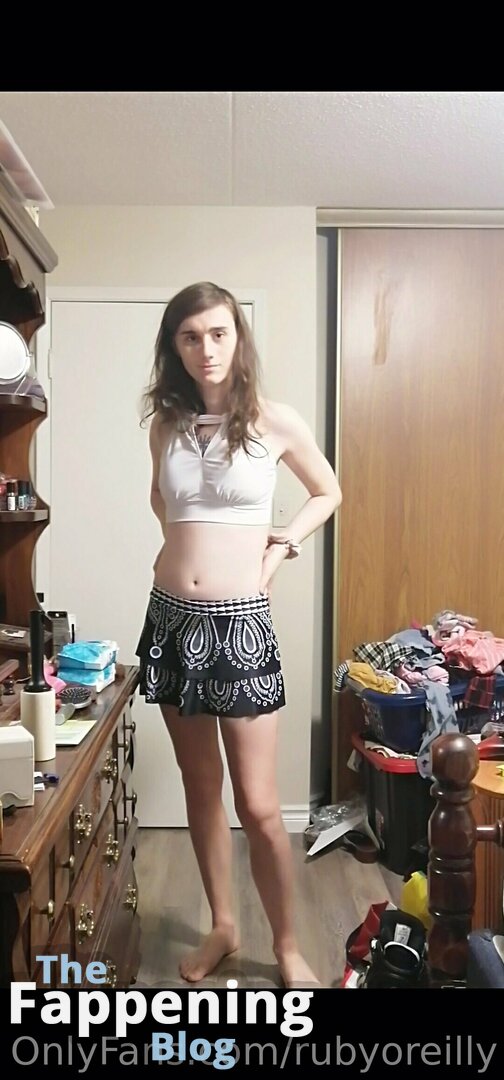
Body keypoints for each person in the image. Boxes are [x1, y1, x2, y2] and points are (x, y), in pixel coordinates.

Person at [136, 281, 342, 987]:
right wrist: (183, 553)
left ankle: (286, 947)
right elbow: (161, 498)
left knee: (257, 804)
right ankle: (223, 926)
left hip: (241, 627)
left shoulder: (274, 422)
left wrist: (280, 547)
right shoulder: (165, 425)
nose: (206, 349)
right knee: (201, 789)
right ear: (175, 347)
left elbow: (328, 490)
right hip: (171, 620)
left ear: (238, 338)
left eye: (218, 333)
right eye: (190, 337)